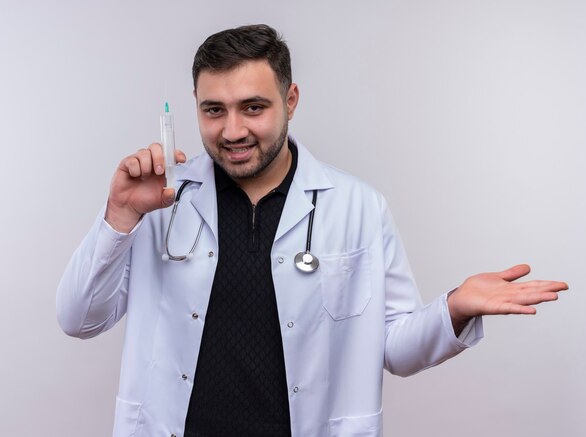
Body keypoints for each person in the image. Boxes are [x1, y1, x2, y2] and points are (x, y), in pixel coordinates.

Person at [56, 24, 568, 437]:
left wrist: (452, 308)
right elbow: (79, 319)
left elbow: (393, 349)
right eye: (214, 110)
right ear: (194, 105)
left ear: (291, 99)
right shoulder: (160, 200)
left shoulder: (357, 206)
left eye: (253, 107)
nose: (233, 130)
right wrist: (119, 217)